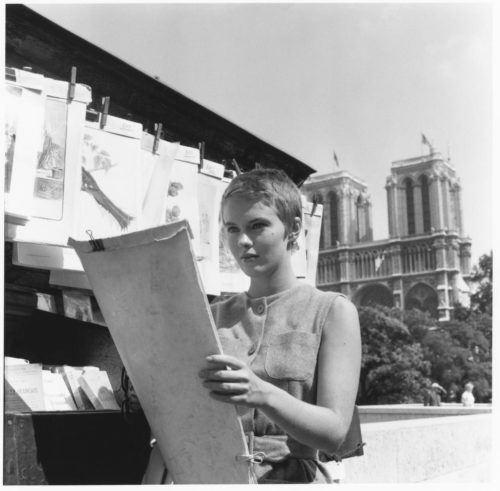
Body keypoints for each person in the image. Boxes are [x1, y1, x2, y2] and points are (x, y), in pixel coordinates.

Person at [143, 168, 361, 484]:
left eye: (257, 226)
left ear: (294, 228)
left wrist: (263, 394)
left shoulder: (333, 311)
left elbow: (334, 432)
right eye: (232, 229)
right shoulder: (209, 316)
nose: (242, 241)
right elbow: (177, 424)